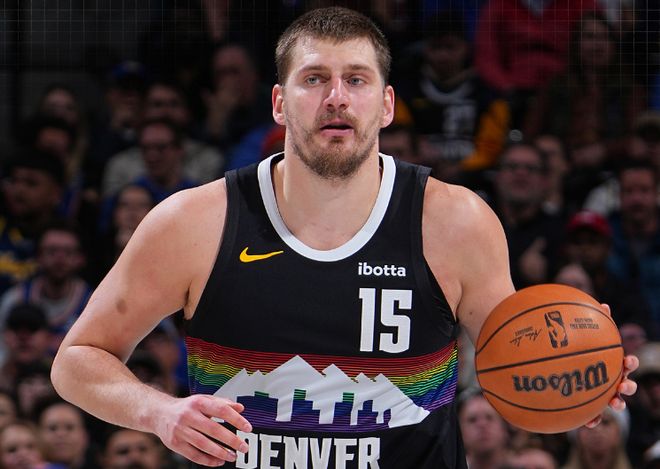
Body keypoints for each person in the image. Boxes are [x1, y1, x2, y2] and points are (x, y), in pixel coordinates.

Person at [51, 7, 638, 468]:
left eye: (356, 79)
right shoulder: (194, 222)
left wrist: (575, 385)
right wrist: (158, 412)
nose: (336, 97)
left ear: (386, 105)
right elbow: (77, 360)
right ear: (279, 103)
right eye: (314, 79)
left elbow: (517, 365)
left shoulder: (455, 221)